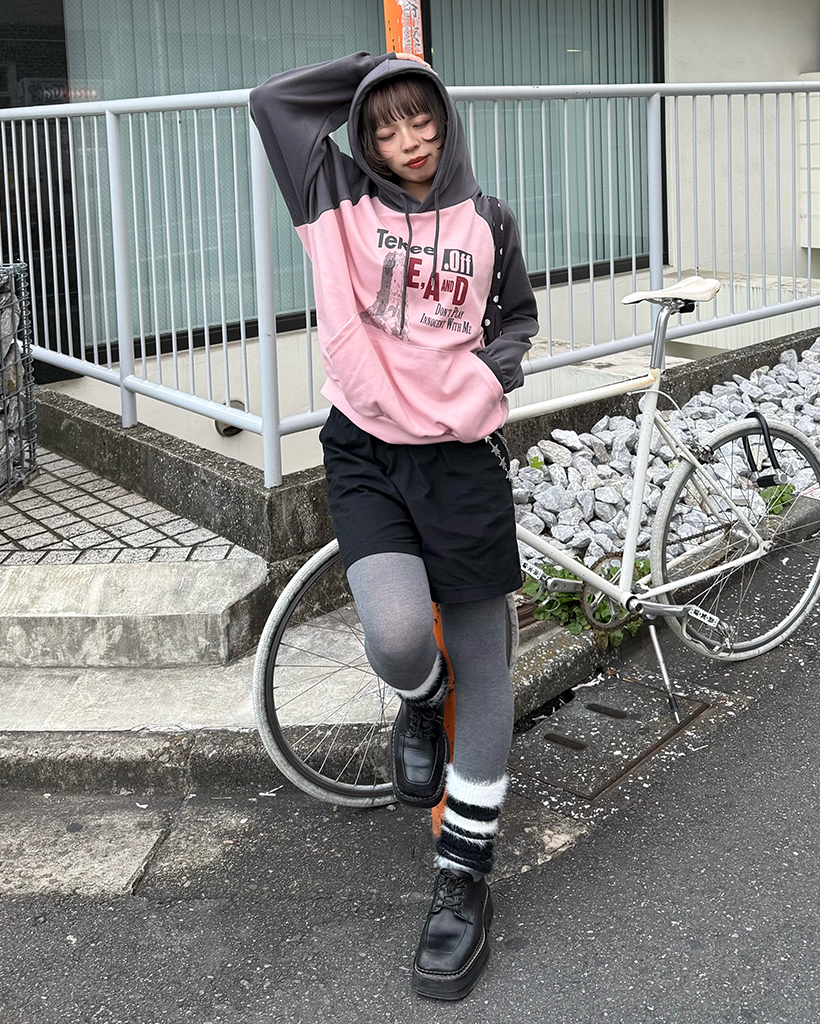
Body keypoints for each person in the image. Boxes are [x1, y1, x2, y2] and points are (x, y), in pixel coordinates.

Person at [250, 50, 538, 1001]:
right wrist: (383, 68)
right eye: (385, 124)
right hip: (365, 448)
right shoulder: (335, 200)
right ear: (365, 139)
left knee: (487, 666)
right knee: (400, 633)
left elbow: (516, 318)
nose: (408, 139)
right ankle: (421, 697)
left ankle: (464, 877)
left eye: (422, 117)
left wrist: (487, 378)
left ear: (447, 121)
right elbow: (274, 103)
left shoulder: (490, 218)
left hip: (461, 458)